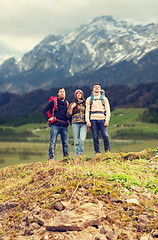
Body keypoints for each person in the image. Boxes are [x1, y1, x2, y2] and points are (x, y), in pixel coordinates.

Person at [43, 88, 69, 160]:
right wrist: (48, 118)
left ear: (65, 93)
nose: (62, 93)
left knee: (66, 144)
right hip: (55, 125)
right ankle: (51, 158)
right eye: (60, 92)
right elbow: (44, 110)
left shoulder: (67, 103)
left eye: (63, 92)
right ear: (58, 94)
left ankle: (66, 158)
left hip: (64, 126)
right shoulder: (54, 102)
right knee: (53, 142)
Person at [86, 83, 111, 154]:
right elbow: (87, 111)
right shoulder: (89, 99)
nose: (97, 88)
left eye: (98, 87)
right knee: (95, 137)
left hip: (102, 119)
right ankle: (97, 152)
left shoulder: (104, 99)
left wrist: (107, 120)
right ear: (93, 89)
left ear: (100, 89)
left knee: (105, 136)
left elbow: (108, 110)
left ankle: (107, 151)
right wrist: (87, 121)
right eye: (95, 87)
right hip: (93, 119)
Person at [67, 89, 87, 157]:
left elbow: (88, 114)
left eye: (80, 93)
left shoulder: (85, 104)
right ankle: (76, 155)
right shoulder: (72, 104)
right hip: (75, 123)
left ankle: (81, 154)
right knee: (76, 140)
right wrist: (72, 108)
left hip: (84, 124)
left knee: (82, 139)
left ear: (82, 95)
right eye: (77, 93)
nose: (78, 94)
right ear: (75, 95)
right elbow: (68, 115)